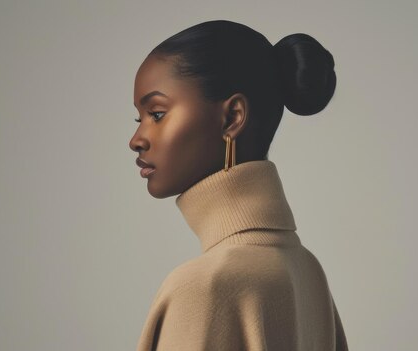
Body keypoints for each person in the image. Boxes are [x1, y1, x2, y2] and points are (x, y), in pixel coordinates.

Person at [129, 19, 348, 351]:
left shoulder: (203, 287)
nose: (136, 140)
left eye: (156, 113)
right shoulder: (307, 271)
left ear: (232, 118)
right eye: (139, 118)